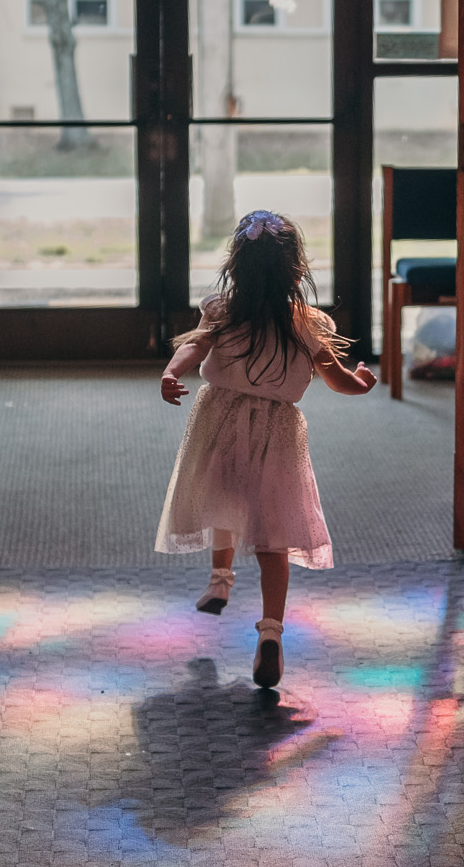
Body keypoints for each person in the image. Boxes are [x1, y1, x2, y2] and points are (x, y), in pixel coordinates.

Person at [155, 209, 377, 687]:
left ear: (234, 267)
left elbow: (192, 349)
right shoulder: (306, 323)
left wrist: (171, 373)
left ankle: (220, 580)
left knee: (223, 503)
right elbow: (337, 380)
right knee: (272, 537)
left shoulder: (222, 310)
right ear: (297, 271)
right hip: (277, 434)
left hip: (219, 421)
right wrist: (361, 383)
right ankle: (271, 632)